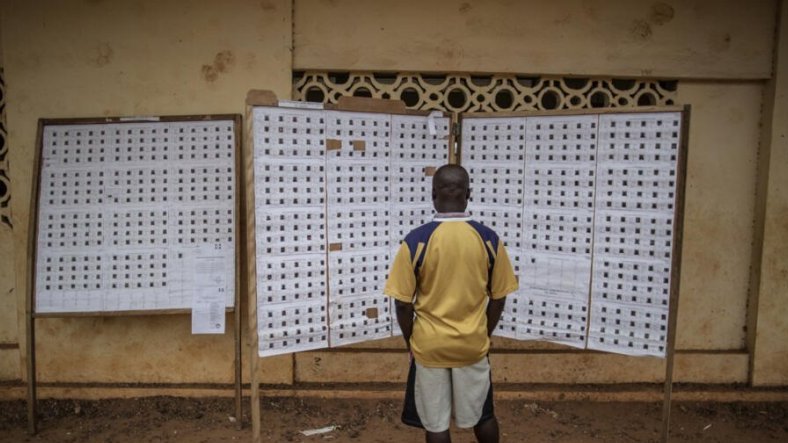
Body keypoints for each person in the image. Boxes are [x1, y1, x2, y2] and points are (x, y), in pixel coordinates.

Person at [384, 164, 519, 443]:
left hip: (429, 346)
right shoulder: (488, 239)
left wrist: (412, 342)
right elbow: (499, 296)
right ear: (469, 194)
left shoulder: (416, 240)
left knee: (436, 424)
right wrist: (484, 333)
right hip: (471, 344)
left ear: (433, 195)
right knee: (483, 416)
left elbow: (402, 304)